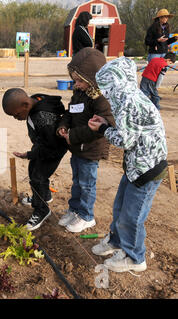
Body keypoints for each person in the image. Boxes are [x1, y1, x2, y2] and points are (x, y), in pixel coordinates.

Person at [88, 56, 168, 273]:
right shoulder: (129, 96)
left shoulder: (127, 101)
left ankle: (135, 257)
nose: (104, 92)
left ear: (114, 83)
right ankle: (116, 242)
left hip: (147, 169)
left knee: (132, 216)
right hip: (137, 165)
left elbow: (125, 140)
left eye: (106, 86)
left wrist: (103, 130)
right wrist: (106, 123)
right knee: (120, 207)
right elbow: (130, 133)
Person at [56, 48, 115, 233]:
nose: (77, 83)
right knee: (76, 181)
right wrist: (63, 125)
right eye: (74, 79)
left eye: (80, 80)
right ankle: (74, 210)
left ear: (93, 79)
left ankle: (86, 216)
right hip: (76, 147)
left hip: (90, 150)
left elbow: (101, 128)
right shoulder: (79, 92)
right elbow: (70, 111)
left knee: (87, 184)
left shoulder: (101, 99)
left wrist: (72, 136)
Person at [2, 88, 67, 231]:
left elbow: (49, 145)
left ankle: (42, 209)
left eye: (17, 114)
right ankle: (44, 195)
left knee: (38, 177)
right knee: (34, 170)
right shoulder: (37, 100)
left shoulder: (41, 118)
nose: (16, 118)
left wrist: (29, 154)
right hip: (45, 146)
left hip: (53, 151)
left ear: (25, 105)